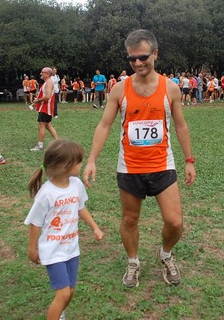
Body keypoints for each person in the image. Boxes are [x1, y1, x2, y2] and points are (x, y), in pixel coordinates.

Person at [83, 29, 196, 288]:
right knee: (129, 219)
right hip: (130, 167)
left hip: (162, 165)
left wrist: (189, 160)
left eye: (143, 57)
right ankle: (133, 262)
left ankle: (165, 254)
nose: (137, 63)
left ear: (155, 54)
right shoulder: (120, 89)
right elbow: (104, 125)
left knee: (174, 221)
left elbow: (180, 126)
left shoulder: (171, 88)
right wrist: (91, 159)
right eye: (132, 59)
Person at [25, 139, 103, 320]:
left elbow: (80, 207)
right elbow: (35, 223)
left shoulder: (76, 185)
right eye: (78, 161)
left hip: (71, 248)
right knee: (63, 294)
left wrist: (95, 228)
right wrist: (32, 249)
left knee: (70, 291)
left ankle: (59, 314)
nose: (81, 164)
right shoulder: (46, 193)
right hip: (53, 251)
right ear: (66, 165)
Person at [30, 67, 59, 151]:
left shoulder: (49, 83)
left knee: (41, 126)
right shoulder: (47, 82)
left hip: (45, 108)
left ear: (47, 74)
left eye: (42, 72)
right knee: (48, 126)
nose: (41, 74)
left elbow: (47, 96)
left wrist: (38, 100)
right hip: (46, 108)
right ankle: (58, 142)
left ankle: (40, 146)